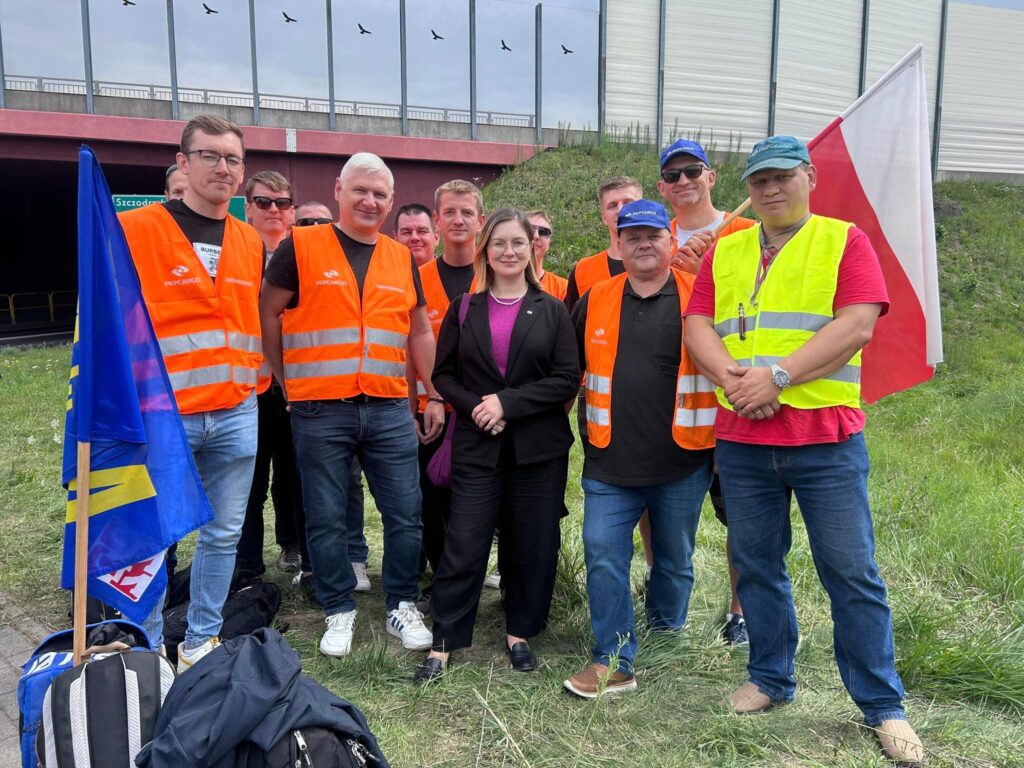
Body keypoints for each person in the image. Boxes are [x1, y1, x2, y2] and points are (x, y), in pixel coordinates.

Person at [683, 135, 923, 765]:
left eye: (783, 177)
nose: (770, 189)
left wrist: (778, 376)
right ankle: (769, 677)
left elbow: (858, 323)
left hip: (825, 442)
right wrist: (735, 381)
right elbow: (697, 324)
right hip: (743, 439)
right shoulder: (728, 249)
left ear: (809, 177)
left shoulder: (844, 241)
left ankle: (882, 706)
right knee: (757, 565)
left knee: (850, 572)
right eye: (759, 181)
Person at [260, 152, 445, 658]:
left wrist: (432, 390)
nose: (370, 201)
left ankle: (402, 604)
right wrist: (286, 380)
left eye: (381, 194)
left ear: (390, 200)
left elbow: (421, 329)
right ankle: (337, 608)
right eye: (361, 190)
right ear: (339, 188)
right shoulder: (301, 245)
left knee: (405, 512)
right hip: (321, 407)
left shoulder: (400, 256)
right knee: (325, 515)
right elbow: (269, 313)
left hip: (387, 406)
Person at [120, 114, 263, 672]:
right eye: (210, 156)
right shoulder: (140, 230)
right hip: (165, 415)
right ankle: (150, 644)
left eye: (233, 159)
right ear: (183, 162)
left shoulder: (249, 239)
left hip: (235, 409)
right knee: (155, 535)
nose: (223, 168)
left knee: (224, 533)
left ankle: (200, 638)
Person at [413, 208, 579, 683]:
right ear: (486, 250)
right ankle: (445, 639)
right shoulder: (465, 307)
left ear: (533, 250)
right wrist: (476, 407)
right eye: (500, 243)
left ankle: (520, 631)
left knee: (532, 541)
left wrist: (507, 403)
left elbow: (566, 378)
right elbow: (443, 373)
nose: (509, 252)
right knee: (464, 540)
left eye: (518, 244)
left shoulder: (551, 309)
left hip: (537, 450)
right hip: (476, 445)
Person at [564, 199, 716, 699]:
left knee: (673, 559)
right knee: (604, 553)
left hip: (682, 459)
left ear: (671, 241)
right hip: (610, 461)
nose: (644, 243)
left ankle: (665, 634)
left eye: (653, 235)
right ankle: (614, 658)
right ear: (620, 244)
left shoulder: (701, 297)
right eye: (633, 236)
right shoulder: (595, 298)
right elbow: (569, 371)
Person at [657, 138, 757, 646]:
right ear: (662, 187)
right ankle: (662, 598)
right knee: (660, 509)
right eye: (672, 176)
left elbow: (759, 305)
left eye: (692, 171)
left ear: (711, 176)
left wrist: (703, 276)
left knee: (740, 511)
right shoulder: (657, 236)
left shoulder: (745, 231)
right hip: (672, 397)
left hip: (732, 393)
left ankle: (741, 610)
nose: (683, 182)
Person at [410, 181, 485, 606]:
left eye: (467, 213)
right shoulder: (416, 278)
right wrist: (412, 406)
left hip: (482, 411)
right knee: (432, 500)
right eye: (450, 212)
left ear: (480, 219)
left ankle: (474, 573)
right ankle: (440, 578)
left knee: (478, 502)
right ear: (437, 221)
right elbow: (407, 348)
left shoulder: (496, 272)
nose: (459, 220)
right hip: (430, 411)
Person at [235, 171, 301, 583]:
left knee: (295, 477)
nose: (273, 210)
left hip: (297, 386)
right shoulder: (235, 254)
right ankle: (247, 567)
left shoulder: (305, 254)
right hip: (249, 388)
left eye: (282, 203)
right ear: (248, 208)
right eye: (264, 202)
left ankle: (294, 548)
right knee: (249, 484)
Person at [563, 177, 643, 312]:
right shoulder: (584, 270)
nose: (620, 210)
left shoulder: (664, 262)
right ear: (604, 217)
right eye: (612, 205)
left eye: (628, 203)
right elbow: (570, 325)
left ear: (643, 208)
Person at [525, 210, 568, 301]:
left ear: (550, 242)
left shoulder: (562, 287)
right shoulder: (501, 282)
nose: (536, 236)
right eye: (530, 229)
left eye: (543, 232)